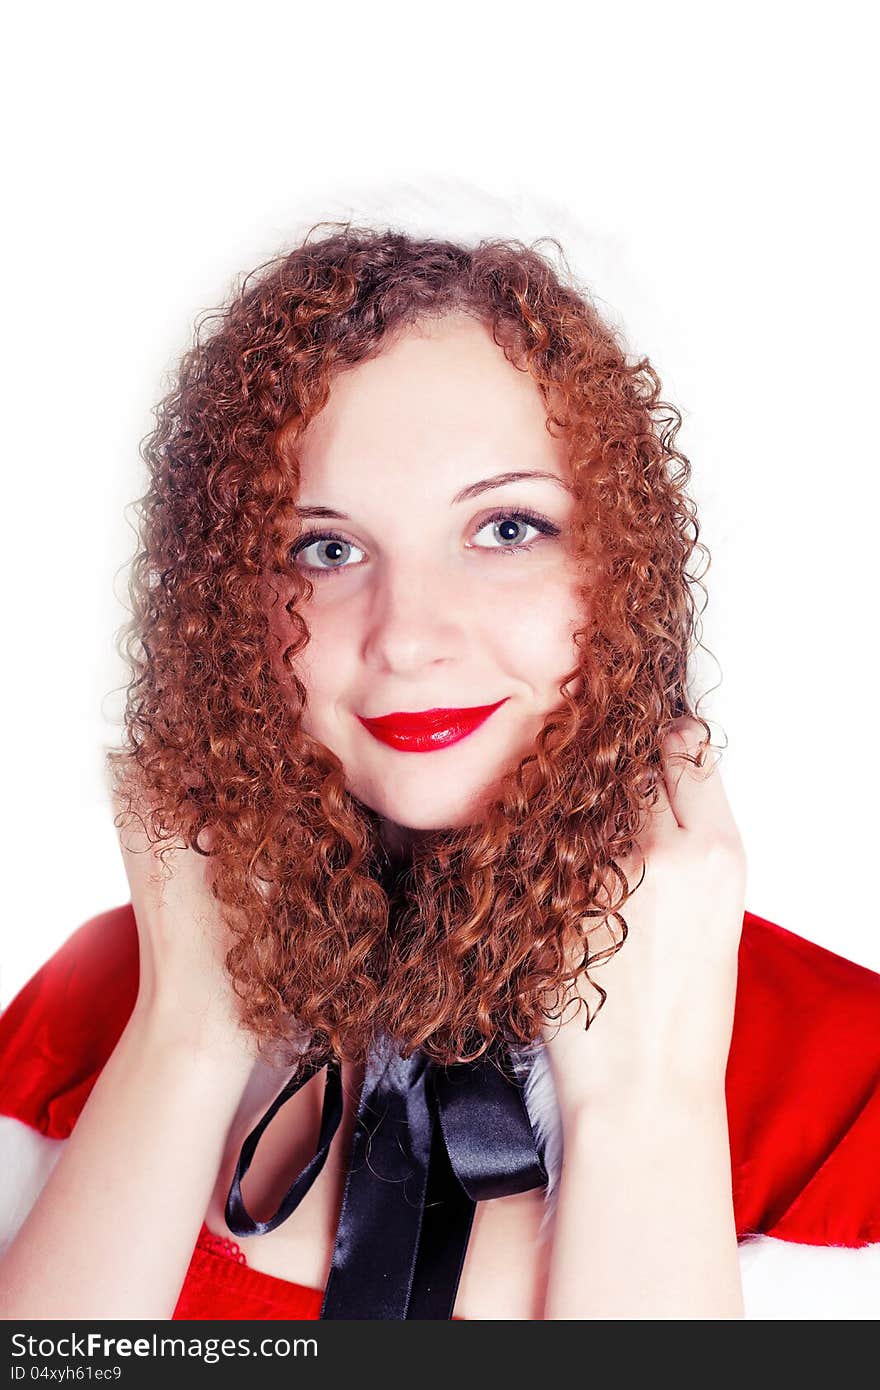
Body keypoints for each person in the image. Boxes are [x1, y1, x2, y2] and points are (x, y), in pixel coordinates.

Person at [0, 225, 878, 1321]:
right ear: (221, 609)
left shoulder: (849, 1091)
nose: (407, 637)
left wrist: (644, 1105)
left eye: (507, 527)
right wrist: (186, 1033)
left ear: (625, 568)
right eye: (324, 549)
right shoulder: (92, 1009)